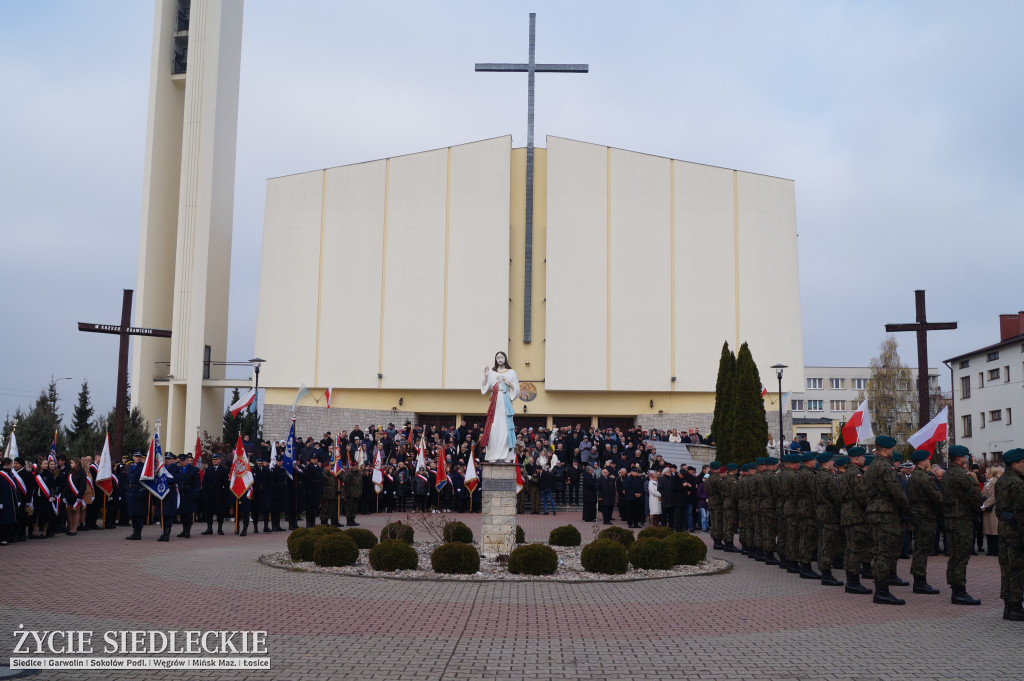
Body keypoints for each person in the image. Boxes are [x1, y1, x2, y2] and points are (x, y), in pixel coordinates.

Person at [862, 435, 910, 605]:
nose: (892, 451)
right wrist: (907, 508)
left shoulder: (873, 466)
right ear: (886, 449)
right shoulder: (885, 466)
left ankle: (881, 589)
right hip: (887, 514)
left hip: (875, 512)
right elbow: (896, 491)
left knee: (879, 550)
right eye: (891, 449)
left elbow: (865, 490)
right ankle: (882, 592)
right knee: (885, 552)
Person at [942, 445, 984, 605]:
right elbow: (975, 496)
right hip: (962, 519)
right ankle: (959, 591)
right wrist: (976, 512)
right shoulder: (962, 475)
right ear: (959, 458)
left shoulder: (947, 474)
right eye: (965, 457)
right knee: (961, 556)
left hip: (950, 518)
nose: (966, 459)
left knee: (954, 555)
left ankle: (955, 587)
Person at [995, 448, 1024, 620]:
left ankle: (1008, 606)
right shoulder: (1018, 483)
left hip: (1005, 530)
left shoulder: (1001, 481)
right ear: (1015, 464)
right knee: (1017, 570)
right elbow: (1021, 511)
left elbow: (999, 509)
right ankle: (1015, 607)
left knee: (1006, 568)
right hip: (1017, 532)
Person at [907, 449, 942, 595]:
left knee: (920, 548)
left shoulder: (913, 476)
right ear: (921, 462)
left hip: (918, 514)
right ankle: (920, 582)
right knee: (922, 549)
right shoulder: (923, 477)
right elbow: (936, 496)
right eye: (927, 460)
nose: (929, 462)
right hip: (926, 516)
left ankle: (919, 580)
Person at [480, 351, 520, 461]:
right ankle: (493, 455)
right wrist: (485, 375)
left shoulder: (511, 373)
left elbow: (517, 389)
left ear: (505, 358)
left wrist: (509, 384)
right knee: (493, 429)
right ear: (496, 360)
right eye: (498, 357)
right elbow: (484, 387)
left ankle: (507, 455)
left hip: (506, 402)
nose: (500, 359)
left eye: (502, 357)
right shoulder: (492, 373)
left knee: (506, 428)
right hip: (495, 403)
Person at [201, 453, 229, 535]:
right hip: (210, 493)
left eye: (216, 459)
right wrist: (205, 493)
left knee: (220, 512)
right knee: (209, 512)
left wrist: (225, 495)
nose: (215, 461)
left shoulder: (223, 470)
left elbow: (226, 484)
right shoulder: (208, 470)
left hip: (219, 493)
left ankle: (220, 528)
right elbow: (204, 483)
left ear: (220, 460)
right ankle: (209, 528)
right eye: (213, 459)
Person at [175, 453, 201, 538]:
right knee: (182, 514)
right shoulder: (178, 469)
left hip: (189, 493)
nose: (182, 462)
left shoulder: (194, 469)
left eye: (183, 461)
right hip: (181, 494)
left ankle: (188, 530)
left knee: (189, 514)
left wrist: (195, 493)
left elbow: (197, 483)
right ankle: (184, 529)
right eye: (180, 461)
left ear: (187, 460)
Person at [981, 465, 1003, 556]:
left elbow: (994, 496)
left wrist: (985, 505)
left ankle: (996, 550)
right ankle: (990, 550)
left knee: (994, 531)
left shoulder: (996, 482)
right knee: (988, 531)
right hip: (986, 510)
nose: (985, 474)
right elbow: (983, 495)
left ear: (991, 473)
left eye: (986, 472)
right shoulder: (986, 483)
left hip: (993, 509)